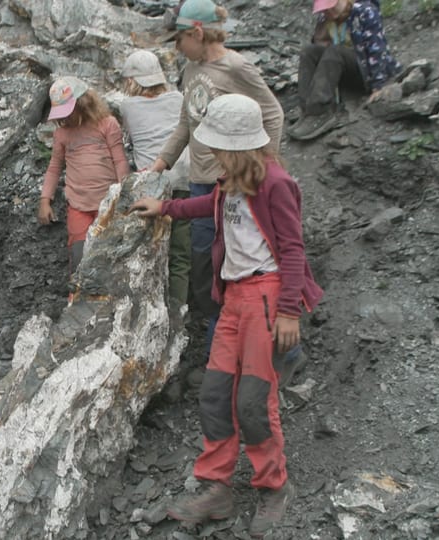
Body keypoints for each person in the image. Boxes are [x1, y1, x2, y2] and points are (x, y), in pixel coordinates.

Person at [131, 94, 323, 537]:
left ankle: (274, 488)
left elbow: (293, 249)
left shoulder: (275, 182)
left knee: (254, 401)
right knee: (216, 395)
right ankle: (216, 489)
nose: (213, 151)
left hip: (267, 297)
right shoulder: (232, 177)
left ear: (240, 146)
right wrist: (166, 209)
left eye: (219, 145)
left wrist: (290, 311)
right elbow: (211, 207)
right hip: (235, 297)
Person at [151, 0, 284, 362]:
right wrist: (159, 164)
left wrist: (262, 168)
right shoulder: (191, 70)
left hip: (235, 182)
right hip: (201, 181)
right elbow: (185, 124)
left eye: (179, 39)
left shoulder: (237, 67)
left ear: (197, 32)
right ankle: (218, 328)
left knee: (238, 259)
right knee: (204, 259)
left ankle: (246, 341)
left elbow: (272, 113)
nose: (176, 48)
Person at [119, 50, 192, 310]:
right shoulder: (179, 98)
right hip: (183, 179)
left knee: (150, 251)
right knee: (181, 253)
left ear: (132, 81)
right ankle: (179, 308)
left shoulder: (127, 106)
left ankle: (150, 307)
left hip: (152, 186)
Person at [38, 76, 130, 276]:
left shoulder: (107, 124)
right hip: (78, 204)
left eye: (69, 112)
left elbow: (120, 160)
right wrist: (45, 200)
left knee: (107, 253)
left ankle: (106, 300)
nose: (66, 119)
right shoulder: (62, 134)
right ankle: (77, 298)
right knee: (79, 255)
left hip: (107, 203)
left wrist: (124, 193)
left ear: (84, 103)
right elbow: (54, 167)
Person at [289, 0, 402, 141]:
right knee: (308, 51)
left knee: (335, 51)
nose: (327, 12)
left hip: (365, 70)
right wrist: (321, 34)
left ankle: (321, 111)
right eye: (324, 10)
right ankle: (307, 110)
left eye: (331, 7)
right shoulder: (326, 18)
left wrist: (377, 85)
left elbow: (377, 50)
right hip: (340, 66)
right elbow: (318, 48)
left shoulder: (365, 11)